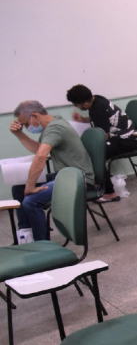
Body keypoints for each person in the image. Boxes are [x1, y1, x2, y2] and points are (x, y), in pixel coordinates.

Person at [9, 101, 95, 241]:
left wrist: (31, 186)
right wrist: (19, 134)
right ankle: (25, 236)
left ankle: (42, 244)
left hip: (79, 179)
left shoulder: (55, 128)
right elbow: (39, 149)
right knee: (18, 189)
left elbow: (41, 155)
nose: (26, 127)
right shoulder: (53, 124)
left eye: (25, 124)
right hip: (65, 175)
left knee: (31, 201)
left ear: (35, 116)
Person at [67, 84, 137, 202]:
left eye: (76, 105)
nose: (76, 107)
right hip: (122, 137)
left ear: (85, 104)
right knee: (92, 152)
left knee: (95, 155)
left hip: (128, 140)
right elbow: (102, 119)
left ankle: (110, 193)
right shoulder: (97, 99)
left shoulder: (97, 109)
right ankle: (100, 185)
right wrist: (83, 120)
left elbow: (103, 136)